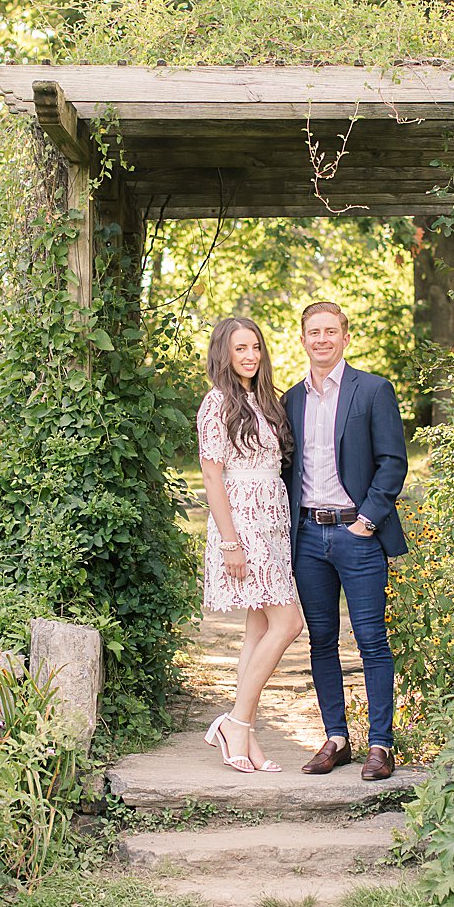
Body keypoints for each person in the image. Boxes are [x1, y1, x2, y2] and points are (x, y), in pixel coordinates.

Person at [282, 301, 408, 780]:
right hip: (309, 537)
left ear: (345, 337)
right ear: (303, 339)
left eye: (330, 331)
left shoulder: (373, 390)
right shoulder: (291, 399)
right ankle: (337, 738)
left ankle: (381, 744)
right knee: (321, 640)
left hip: (358, 533)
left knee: (372, 640)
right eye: (313, 332)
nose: (322, 339)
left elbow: (393, 462)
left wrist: (368, 522)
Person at [196, 317, 305, 773]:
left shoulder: (262, 401)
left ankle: (247, 736)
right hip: (242, 522)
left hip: (272, 521)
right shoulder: (216, 403)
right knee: (289, 623)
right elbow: (212, 476)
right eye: (240, 348)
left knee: (258, 630)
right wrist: (230, 543)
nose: (250, 356)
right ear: (223, 353)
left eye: (255, 347)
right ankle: (234, 722)